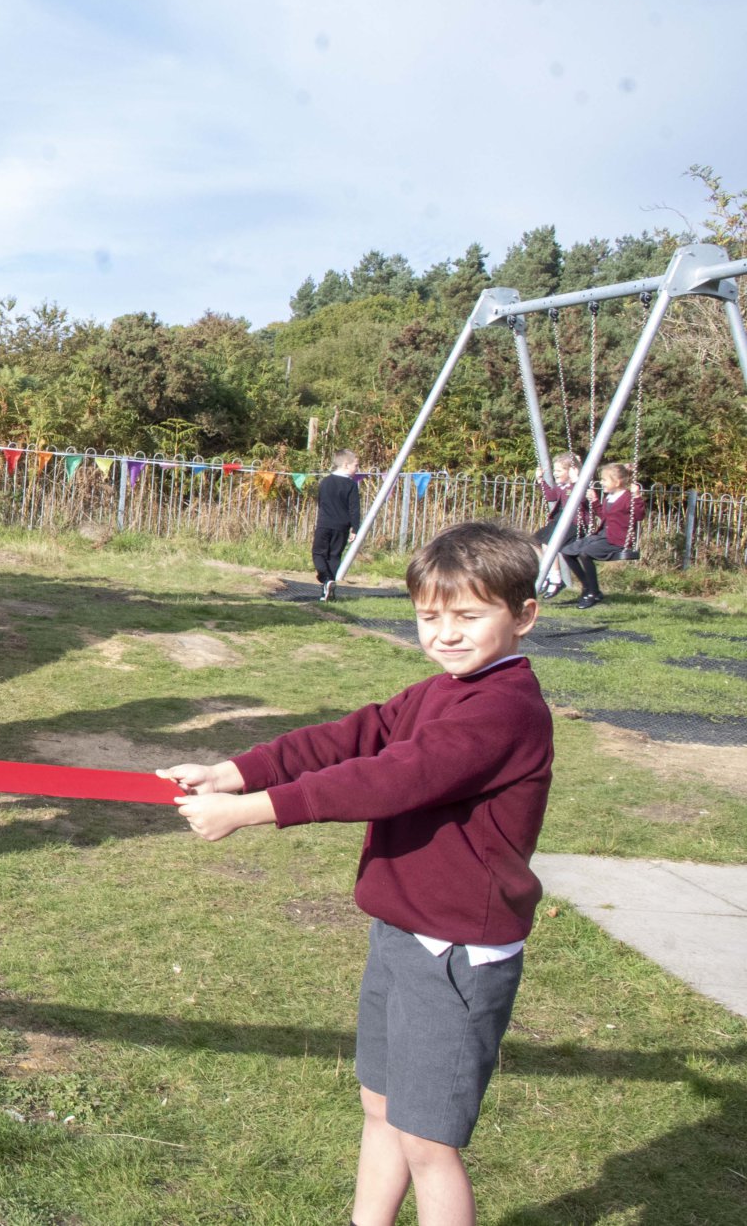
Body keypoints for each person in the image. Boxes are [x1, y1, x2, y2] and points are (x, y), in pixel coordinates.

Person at [160, 522, 552, 1226]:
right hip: (402, 930)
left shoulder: (503, 710)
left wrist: (252, 810)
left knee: (428, 1141)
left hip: (457, 951)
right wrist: (233, 769)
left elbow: (390, 777)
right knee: (381, 1108)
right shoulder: (439, 691)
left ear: (523, 615)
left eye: (469, 615)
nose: (447, 634)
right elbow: (353, 736)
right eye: (431, 617)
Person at [558, 461, 645, 609]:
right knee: (566, 551)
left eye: (604, 480)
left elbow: (639, 515)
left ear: (617, 482)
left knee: (585, 553)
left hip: (617, 540)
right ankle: (587, 587)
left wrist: (637, 496)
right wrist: (595, 502)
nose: (601, 483)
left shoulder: (627, 498)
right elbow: (604, 516)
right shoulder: (608, 497)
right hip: (602, 535)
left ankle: (594, 592)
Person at [532, 451, 583, 598]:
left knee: (549, 543)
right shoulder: (561, 486)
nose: (555, 473)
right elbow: (550, 496)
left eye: (559, 470)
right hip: (559, 521)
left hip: (573, 523)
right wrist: (541, 480)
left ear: (571, 471)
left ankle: (556, 578)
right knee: (534, 542)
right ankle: (548, 573)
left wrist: (575, 480)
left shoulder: (578, 485)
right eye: (555, 470)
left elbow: (582, 500)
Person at [313, 449, 360, 585]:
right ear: (346, 465)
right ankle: (329, 583)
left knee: (318, 553)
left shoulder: (325, 482)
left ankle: (326, 579)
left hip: (324, 524)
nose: (357, 469)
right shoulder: (351, 485)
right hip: (342, 527)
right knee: (334, 556)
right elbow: (354, 509)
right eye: (356, 465)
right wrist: (355, 528)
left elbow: (320, 502)